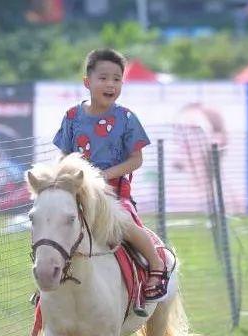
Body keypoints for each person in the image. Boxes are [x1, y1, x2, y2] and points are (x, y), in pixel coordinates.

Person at [53, 48, 168, 316]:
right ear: (87, 82)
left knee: (124, 224)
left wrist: (104, 175)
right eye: (103, 78)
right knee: (54, 228)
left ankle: (156, 266)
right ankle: (48, 284)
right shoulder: (72, 117)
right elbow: (63, 153)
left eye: (117, 79)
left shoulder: (126, 118)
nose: (110, 84)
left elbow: (136, 159)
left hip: (114, 193)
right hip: (79, 192)